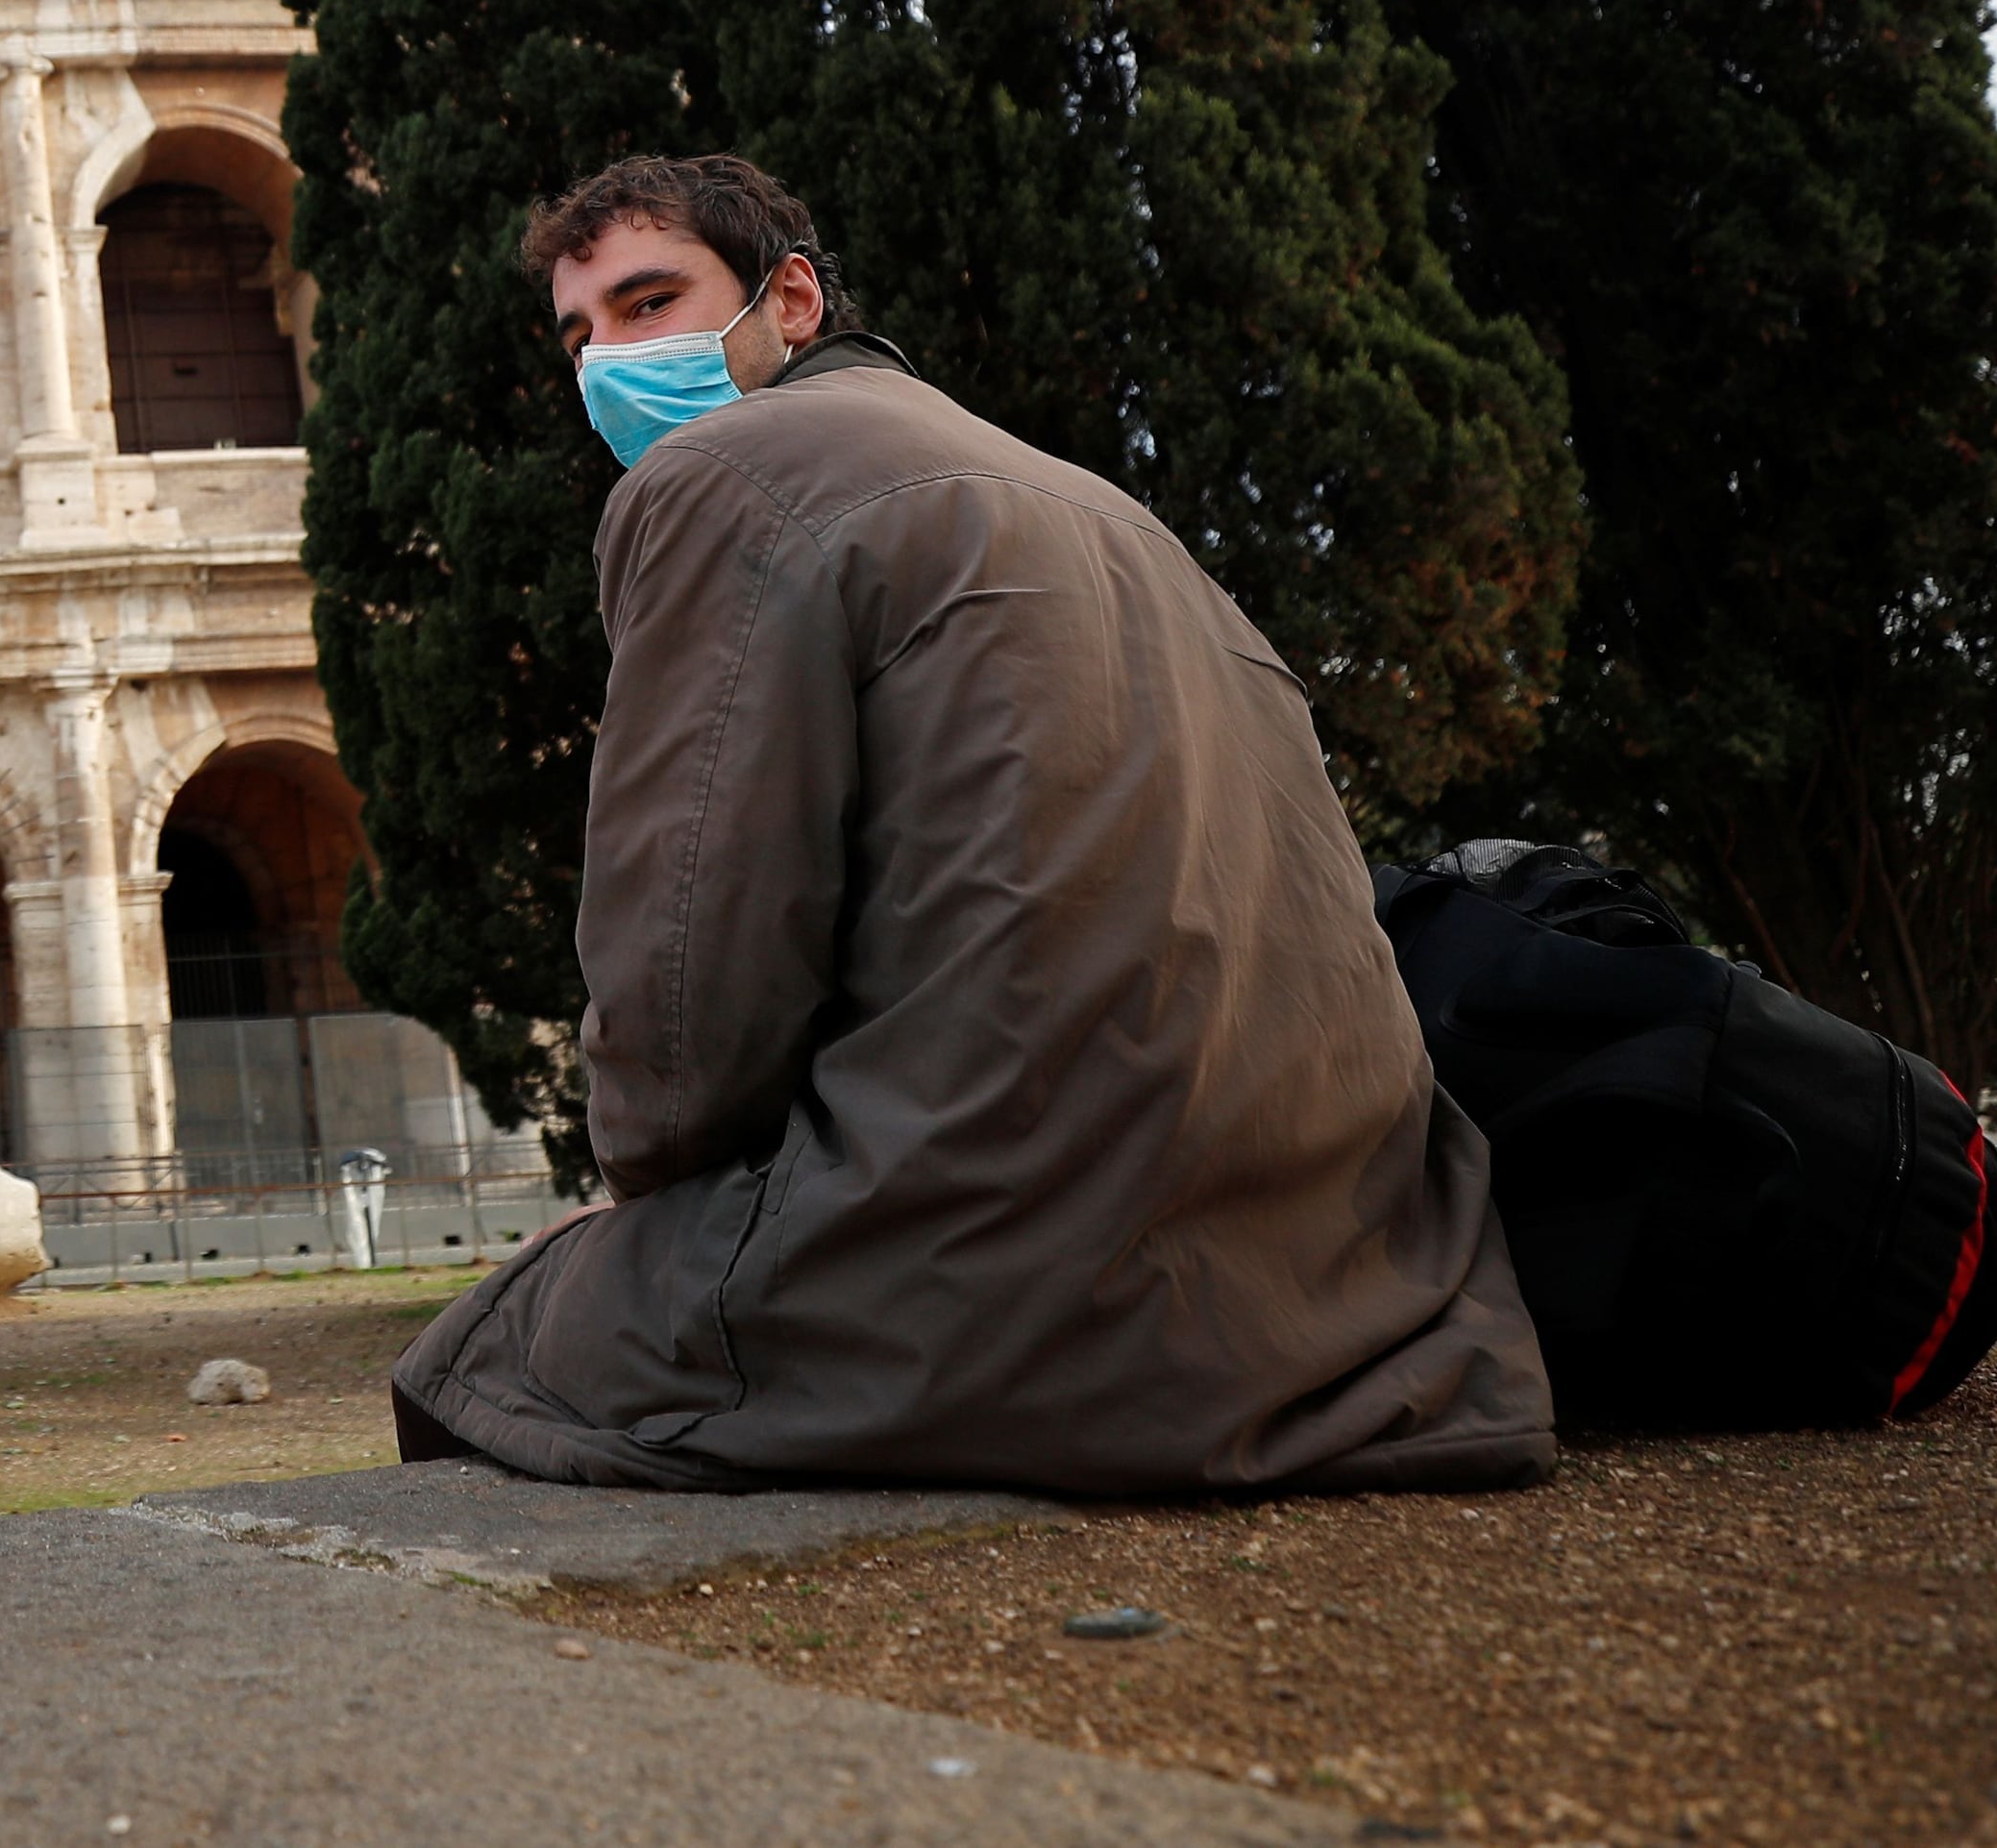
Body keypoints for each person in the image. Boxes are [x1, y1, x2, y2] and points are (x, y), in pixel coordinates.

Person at [387, 154, 1554, 1495]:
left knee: (492, 1342)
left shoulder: (714, 476)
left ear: (795, 298)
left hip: (1011, 1288)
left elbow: (690, 980)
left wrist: (659, 1187)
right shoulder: (1116, 514)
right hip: (1353, 1300)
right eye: (581, 335)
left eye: (650, 303)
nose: (608, 363)